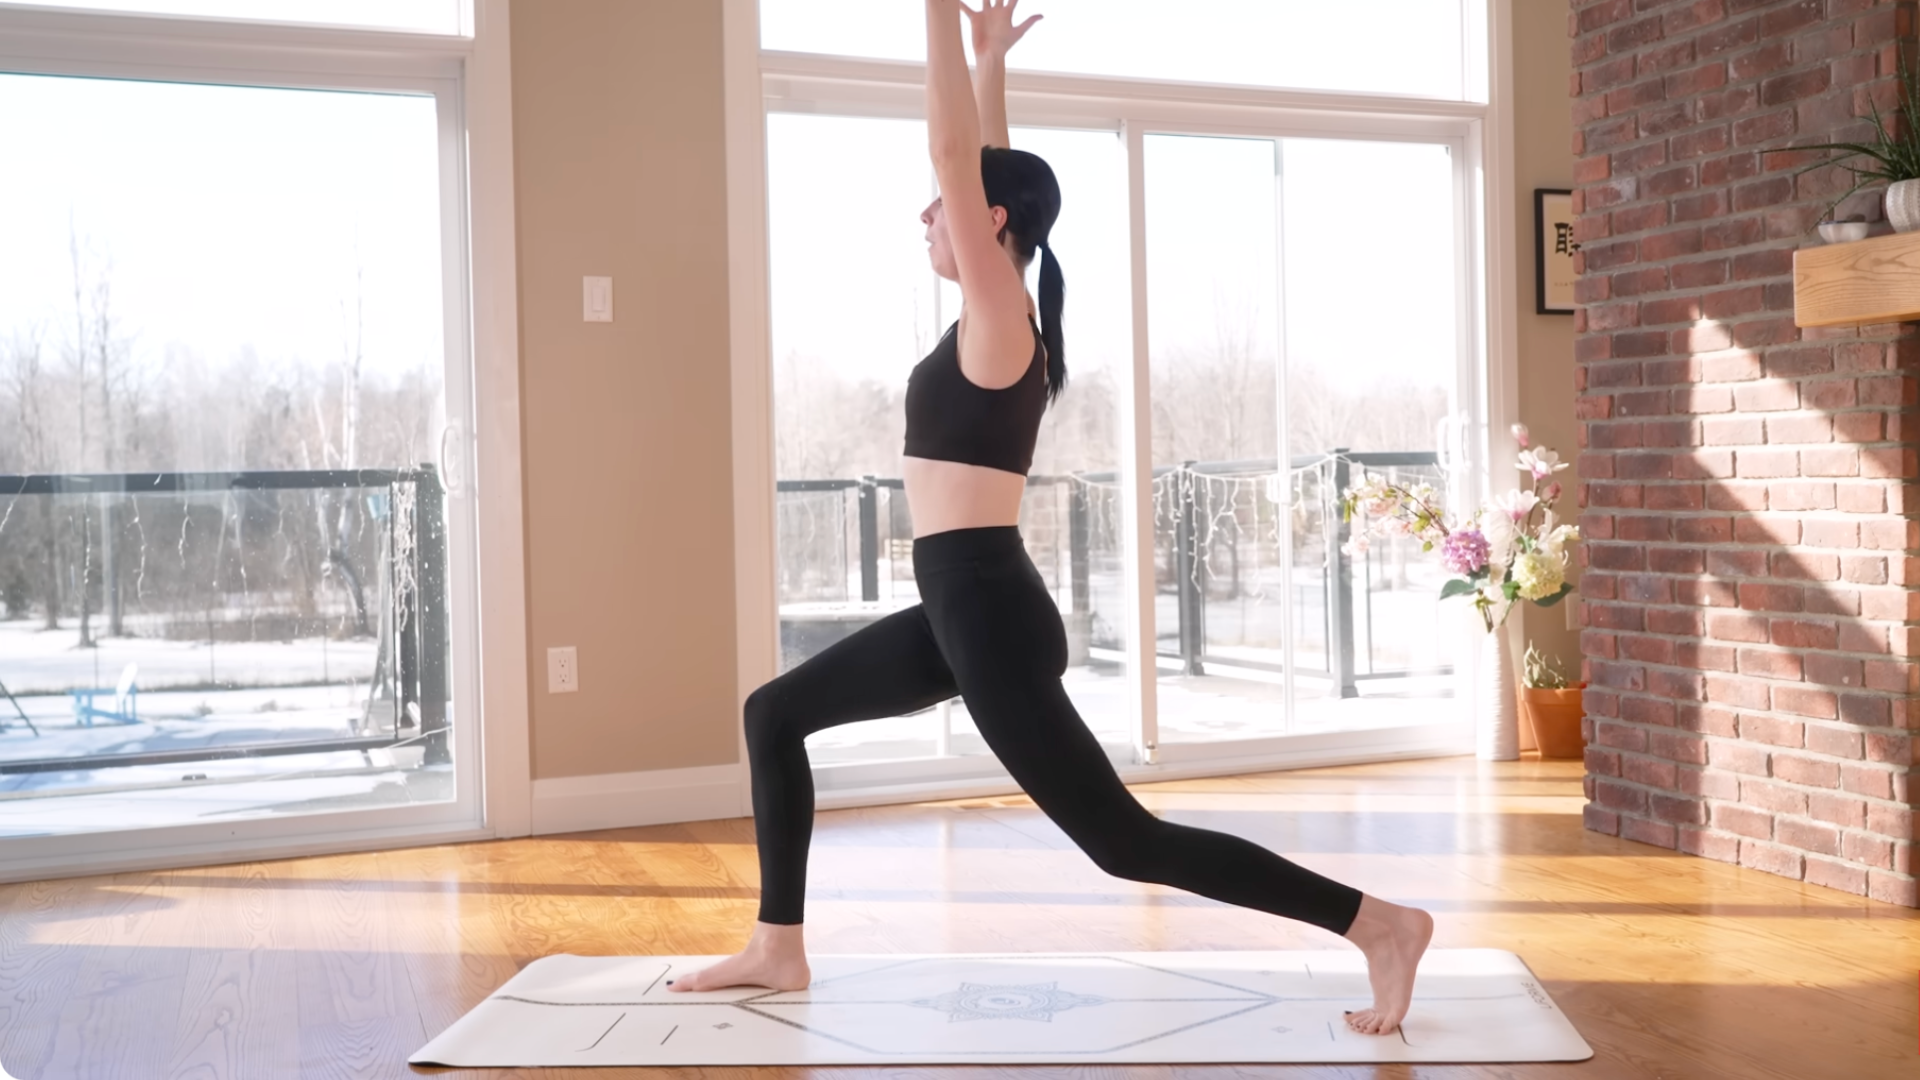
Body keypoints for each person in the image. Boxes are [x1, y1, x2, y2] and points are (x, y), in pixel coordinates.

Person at [670, 0, 1433, 1037]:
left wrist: (937, 16)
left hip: (984, 607)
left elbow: (957, 159)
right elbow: (978, 163)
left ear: (993, 228)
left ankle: (1378, 924)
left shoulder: (999, 317)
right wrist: (987, 58)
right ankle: (779, 946)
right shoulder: (995, 308)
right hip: (960, 604)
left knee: (1125, 843)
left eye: (940, 207)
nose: (926, 215)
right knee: (775, 715)